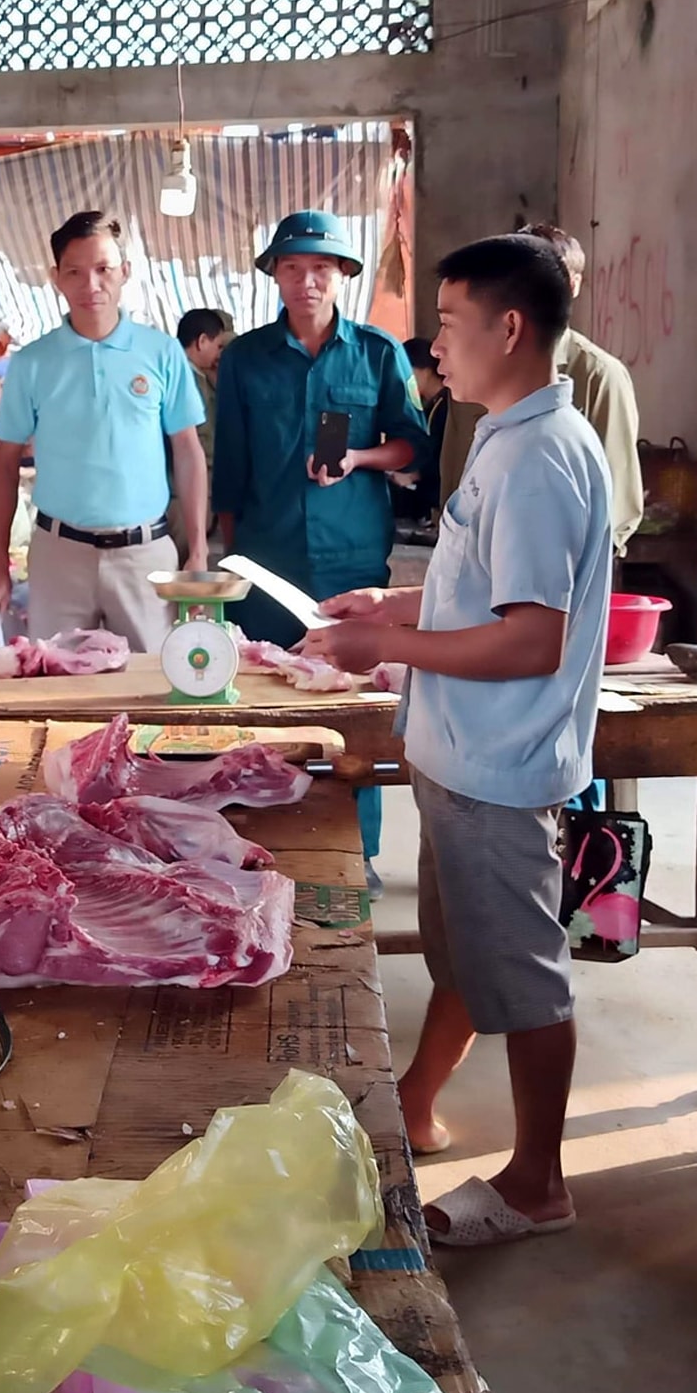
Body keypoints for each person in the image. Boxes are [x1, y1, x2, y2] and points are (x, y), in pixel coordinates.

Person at [302, 233, 611, 1248]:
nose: (434, 346)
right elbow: (482, 591)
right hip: (458, 753)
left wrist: (384, 641)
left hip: (498, 765)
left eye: (447, 322)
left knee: (518, 974)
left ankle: (537, 1182)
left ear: (510, 328)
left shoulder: (536, 457)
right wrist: (393, 600)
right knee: (467, 953)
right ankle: (418, 1099)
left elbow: (530, 638)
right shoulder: (507, 436)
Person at [210, 209, 428, 892]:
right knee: (264, 704)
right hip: (265, 560)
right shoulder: (244, 359)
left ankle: (352, 858)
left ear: (343, 276)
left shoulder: (378, 352)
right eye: (294, 267)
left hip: (352, 561)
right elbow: (231, 467)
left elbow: (413, 447)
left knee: (351, 712)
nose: (307, 281)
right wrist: (223, 554)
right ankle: (266, 850)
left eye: (322, 268)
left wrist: (356, 457)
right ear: (275, 275)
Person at [0, 211, 208, 654]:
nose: (91, 285)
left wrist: (197, 552)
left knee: (154, 683)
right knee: (57, 686)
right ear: (56, 279)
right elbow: (4, 464)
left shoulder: (160, 352)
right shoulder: (33, 363)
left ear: (125, 272)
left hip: (146, 555)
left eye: (104, 269)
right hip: (59, 555)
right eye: (75, 273)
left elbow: (188, 452)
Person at [438, 222, 643, 557]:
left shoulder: (596, 379)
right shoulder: (472, 370)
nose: (437, 347)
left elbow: (614, 503)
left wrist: (584, 560)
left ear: (570, 286)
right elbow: (456, 468)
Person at [171, 309, 232, 555]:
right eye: (217, 346)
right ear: (202, 341)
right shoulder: (183, 380)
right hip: (183, 491)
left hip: (197, 488)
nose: (219, 354)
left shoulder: (200, 379)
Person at [390, 337, 450, 526]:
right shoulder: (428, 406)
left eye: (408, 373)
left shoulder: (447, 407)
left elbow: (443, 455)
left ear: (425, 370)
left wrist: (416, 474)